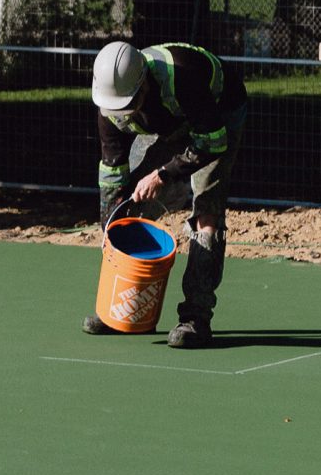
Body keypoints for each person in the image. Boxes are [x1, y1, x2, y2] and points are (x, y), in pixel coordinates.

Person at [83, 41, 247, 348]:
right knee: (131, 210)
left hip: (218, 117)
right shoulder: (109, 106)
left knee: (205, 215)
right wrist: (111, 224)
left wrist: (163, 175)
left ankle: (196, 318)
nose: (122, 114)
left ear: (144, 83)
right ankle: (123, 310)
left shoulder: (183, 79)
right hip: (169, 121)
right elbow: (112, 174)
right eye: (118, 110)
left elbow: (212, 142)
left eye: (129, 105)